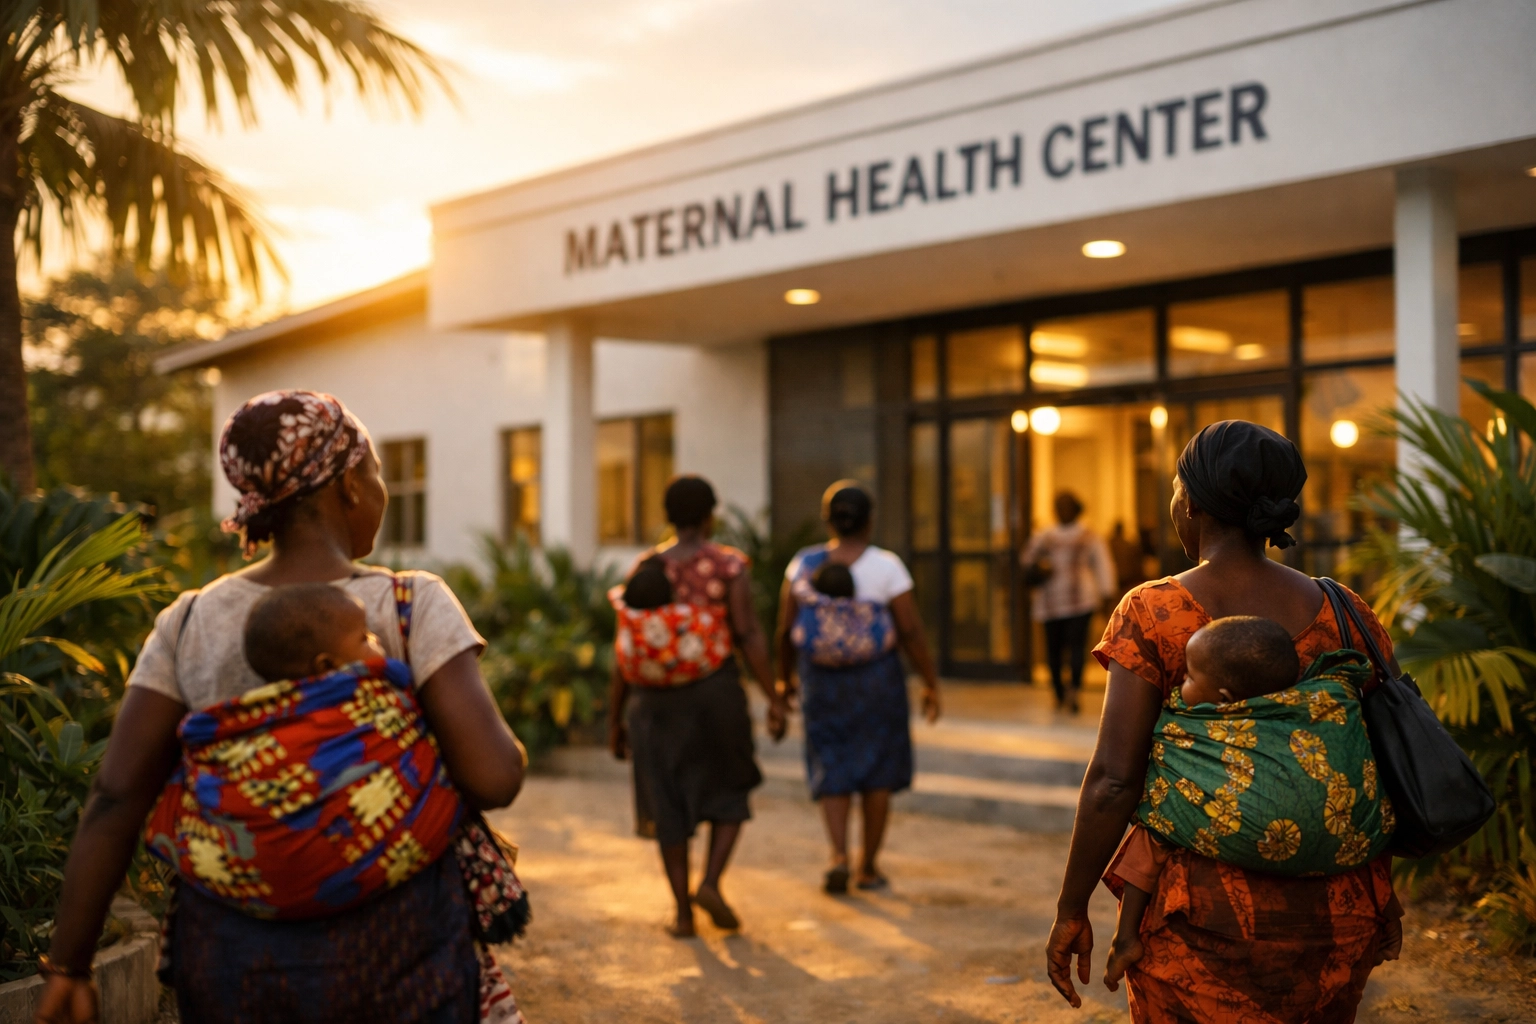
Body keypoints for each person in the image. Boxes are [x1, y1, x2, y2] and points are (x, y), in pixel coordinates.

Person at [35, 390, 526, 1024]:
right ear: (349, 485)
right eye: (375, 472)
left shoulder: (189, 621)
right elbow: (494, 776)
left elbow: (116, 796)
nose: (381, 489)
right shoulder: (410, 604)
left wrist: (70, 967)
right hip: (402, 947)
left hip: (233, 959)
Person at [1046, 420, 1403, 1024]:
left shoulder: (1153, 611)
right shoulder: (1346, 612)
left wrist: (1071, 908)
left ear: (1191, 502)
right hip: (1337, 913)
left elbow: (1113, 779)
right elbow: (1378, 749)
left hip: (1202, 921)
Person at [607, 475, 788, 938]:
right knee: (730, 789)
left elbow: (626, 645)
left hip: (654, 705)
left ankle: (683, 914)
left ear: (669, 516)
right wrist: (774, 696)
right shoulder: (729, 566)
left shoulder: (645, 566)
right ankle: (709, 883)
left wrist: (615, 720)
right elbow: (747, 634)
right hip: (716, 695)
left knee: (666, 802)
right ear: (710, 516)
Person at [777, 481, 941, 894]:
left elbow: (784, 630)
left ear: (828, 520)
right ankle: (867, 867)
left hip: (821, 681)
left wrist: (785, 679)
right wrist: (930, 682)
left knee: (832, 762)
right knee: (877, 771)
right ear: (870, 521)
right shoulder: (886, 566)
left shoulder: (803, 565)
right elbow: (911, 630)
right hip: (877, 681)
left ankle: (838, 856)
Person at [1019, 492, 1115, 713]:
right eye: (1058, 506)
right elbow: (1026, 561)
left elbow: (1102, 564)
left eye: (1067, 505)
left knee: (1076, 648)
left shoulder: (1089, 535)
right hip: (1050, 602)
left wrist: (1107, 593)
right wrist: (1038, 568)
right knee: (1053, 650)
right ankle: (1058, 692)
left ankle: (1074, 690)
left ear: (1076, 509)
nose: (1063, 510)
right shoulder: (1044, 536)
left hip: (1081, 600)